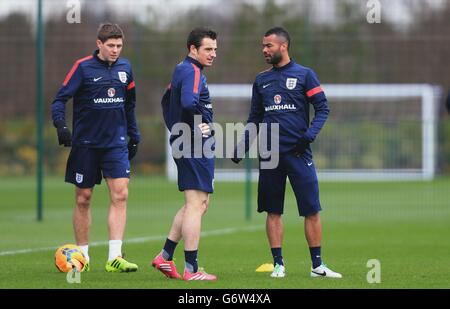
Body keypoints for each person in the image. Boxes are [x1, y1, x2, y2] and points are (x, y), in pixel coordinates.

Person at [232, 27, 342, 278]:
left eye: (269, 45)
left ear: (284, 46)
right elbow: (255, 117)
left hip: (298, 153)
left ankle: (317, 266)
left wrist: (308, 136)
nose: (264, 50)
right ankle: (278, 265)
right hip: (269, 154)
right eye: (263, 46)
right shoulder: (261, 80)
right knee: (273, 210)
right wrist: (243, 144)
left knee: (311, 209)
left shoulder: (305, 75)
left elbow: (323, 109)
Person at [51, 23, 140, 273]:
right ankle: (82, 257)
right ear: (99, 44)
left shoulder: (126, 68)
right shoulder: (82, 67)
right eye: (110, 45)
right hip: (86, 145)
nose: (115, 50)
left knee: (120, 194)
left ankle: (114, 257)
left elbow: (130, 105)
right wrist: (61, 127)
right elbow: (60, 99)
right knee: (83, 198)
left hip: (116, 144)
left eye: (119, 46)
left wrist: (134, 133)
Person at [152, 27, 218, 281]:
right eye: (208, 49)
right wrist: (199, 124)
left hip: (187, 140)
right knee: (195, 204)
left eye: (215, 50)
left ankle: (164, 256)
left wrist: (176, 127)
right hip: (193, 143)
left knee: (200, 203)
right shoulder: (191, 70)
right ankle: (191, 269)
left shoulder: (182, 70)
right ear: (193, 49)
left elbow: (166, 100)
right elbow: (189, 102)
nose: (213, 54)